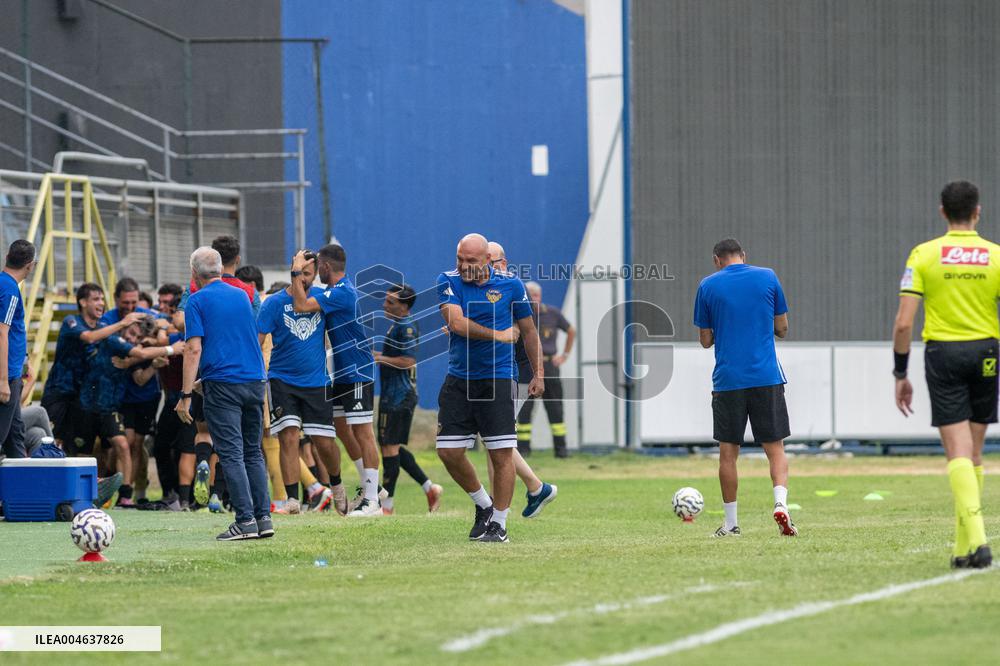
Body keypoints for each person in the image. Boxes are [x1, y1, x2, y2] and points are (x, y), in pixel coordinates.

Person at [893, 180, 994, 569]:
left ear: (942, 212)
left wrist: (900, 372)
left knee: (957, 454)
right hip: (987, 352)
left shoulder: (924, 254)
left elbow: (904, 324)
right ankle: (961, 547)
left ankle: (979, 542)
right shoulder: (995, 255)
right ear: (977, 211)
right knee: (974, 452)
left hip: (944, 353)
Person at [435, 233, 543, 542]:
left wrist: (539, 373)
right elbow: (455, 323)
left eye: (471, 261)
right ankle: (483, 504)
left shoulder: (511, 286)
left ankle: (500, 524)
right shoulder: (448, 280)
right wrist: (497, 335)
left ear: (487, 261)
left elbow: (529, 331)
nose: (464, 266)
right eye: (460, 259)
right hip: (459, 378)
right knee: (448, 451)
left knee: (501, 454)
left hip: (496, 378)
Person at [693, 238, 796, 538]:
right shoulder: (768, 276)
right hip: (766, 376)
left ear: (716, 260)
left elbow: (705, 340)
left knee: (728, 453)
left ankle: (731, 523)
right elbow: (783, 328)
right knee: (774, 448)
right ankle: (781, 505)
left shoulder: (707, 286)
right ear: (743, 256)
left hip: (728, 381)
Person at [176, 247, 271, 541]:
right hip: (255, 380)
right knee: (253, 451)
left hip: (223, 384)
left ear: (194, 273)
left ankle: (244, 521)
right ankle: (263, 518)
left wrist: (185, 394)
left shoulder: (196, 301)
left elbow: (193, 348)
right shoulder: (242, 296)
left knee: (230, 453)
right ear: (220, 269)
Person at [290, 245, 383, 518]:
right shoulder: (333, 292)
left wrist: (296, 270)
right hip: (340, 373)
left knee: (364, 433)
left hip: (357, 371)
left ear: (326, 267)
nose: (314, 274)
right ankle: (371, 488)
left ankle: (372, 500)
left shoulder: (342, 292)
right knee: (342, 430)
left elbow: (301, 304)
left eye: (316, 268)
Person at [257, 253, 345, 515]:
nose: (303, 279)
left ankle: (337, 486)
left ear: (316, 273)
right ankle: (292, 499)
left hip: (316, 381)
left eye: (308, 274)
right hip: (282, 380)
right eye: (298, 273)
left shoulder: (321, 299)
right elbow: (257, 340)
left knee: (324, 442)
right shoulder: (273, 303)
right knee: (289, 437)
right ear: (291, 271)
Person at [485, 242, 557, 518]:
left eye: (493, 261)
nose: (489, 266)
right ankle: (513, 495)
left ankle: (535, 487)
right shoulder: (492, 289)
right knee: (494, 440)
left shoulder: (512, 288)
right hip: (502, 372)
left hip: (516, 372)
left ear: (504, 262)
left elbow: (522, 331)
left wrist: (539, 372)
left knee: (497, 439)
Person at [79, 315, 182, 506]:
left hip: (111, 408)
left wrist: (141, 359)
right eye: (132, 333)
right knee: (92, 452)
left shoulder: (134, 344)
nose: (133, 338)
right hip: (89, 406)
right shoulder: (114, 339)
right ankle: (87, 493)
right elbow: (140, 355)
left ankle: (125, 494)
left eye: (137, 336)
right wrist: (171, 349)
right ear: (125, 327)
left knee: (126, 445)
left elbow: (140, 362)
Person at [41, 283, 144, 450]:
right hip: (59, 393)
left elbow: (127, 348)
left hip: (80, 397)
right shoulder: (71, 321)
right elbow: (89, 337)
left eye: (102, 299)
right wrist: (122, 324)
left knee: (72, 447)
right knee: (49, 441)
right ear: (83, 302)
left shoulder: (103, 327)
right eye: (96, 299)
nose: (101, 303)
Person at [375, 283, 443, 515]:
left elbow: (408, 361)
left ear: (404, 307)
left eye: (390, 302)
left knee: (389, 450)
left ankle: (387, 506)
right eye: (385, 300)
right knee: (389, 446)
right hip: (392, 396)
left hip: (399, 397)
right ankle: (429, 488)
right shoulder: (397, 324)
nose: (385, 305)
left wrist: (379, 358)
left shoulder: (406, 327)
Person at [99, 278, 166, 502]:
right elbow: (113, 349)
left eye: (133, 302)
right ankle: (113, 484)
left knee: (136, 443)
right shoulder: (109, 320)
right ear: (117, 299)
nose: (130, 307)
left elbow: (165, 328)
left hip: (146, 395)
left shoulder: (146, 316)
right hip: (117, 394)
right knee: (119, 443)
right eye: (125, 302)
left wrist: (153, 341)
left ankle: (131, 493)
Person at [516, 281, 575, 458]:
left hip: (549, 366)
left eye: (536, 295)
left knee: (555, 408)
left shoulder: (553, 313)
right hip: (526, 367)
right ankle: (524, 450)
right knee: (524, 410)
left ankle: (561, 450)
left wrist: (564, 355)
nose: (534, 299)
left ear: (540, 296)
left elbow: (571, 330)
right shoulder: (519, 315)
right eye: (530, 295)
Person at [151, 283, 194, 509]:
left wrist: (162, 330)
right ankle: (172, 494)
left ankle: (189, 498)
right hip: (171, 399)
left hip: (187, 397)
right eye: (160, 302)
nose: (162, 307)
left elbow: (161, 341)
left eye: (169, 304)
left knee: (187, 448)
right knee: (161, 446)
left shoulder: (185, 332)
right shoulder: (166, 328)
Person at [0, 240, 35, 458]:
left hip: (13, 370)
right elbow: (2, 333)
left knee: (16, 438)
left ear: (7, 257)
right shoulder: (11, 290)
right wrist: (3, 381)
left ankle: (26, 492)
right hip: (7, 375)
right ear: (30, 265)